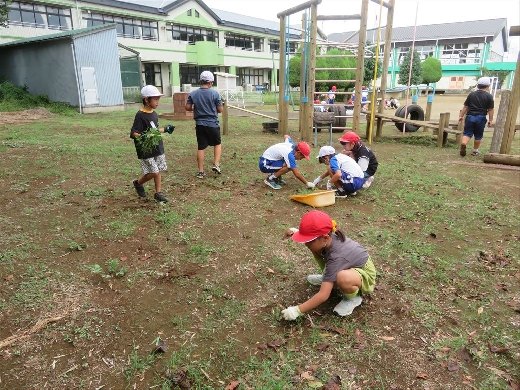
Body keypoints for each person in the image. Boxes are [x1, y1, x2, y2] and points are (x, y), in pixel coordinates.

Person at [281, 210, 376, 319]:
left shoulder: (337, 257)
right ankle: (328, 277)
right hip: (345, 265)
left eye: (309, 240)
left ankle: (353, 298)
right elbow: (314, 237)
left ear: (325, 238)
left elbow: (323, 295)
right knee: (316, 249)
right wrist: (296, 232)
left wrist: (297, 310)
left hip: (364, 275)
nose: (306, 244)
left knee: (343, 277)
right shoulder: (328, 237)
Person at [130, 85, 175, 202]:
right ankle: (138, 183)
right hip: (146, 149)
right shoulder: (140, 115)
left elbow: (154, 130)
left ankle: (158, 193)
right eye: (155, 99)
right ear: (146, 99)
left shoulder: (154, 114)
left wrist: (165, 129)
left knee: (158, 169)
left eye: (158, 99)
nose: (157, 102)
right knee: (154, 172)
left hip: (157, 147)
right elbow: (134, 132)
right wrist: (142, 137)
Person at [185, 71, 224, 178]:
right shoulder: (215, 94)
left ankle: (201, 171)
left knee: (201, 147)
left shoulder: (193, 93)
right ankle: (216, 164)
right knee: (217, 143)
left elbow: (187, 108)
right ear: (211, 82)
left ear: (200, 81)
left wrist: (197, 107)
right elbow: (220, 109)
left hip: (200, 124)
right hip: (213, 124)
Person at [458, 76, 494, 157]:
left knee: (467, 133)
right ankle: (475, 151)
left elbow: (465, 107)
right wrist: (490, 120)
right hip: (481, 117)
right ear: (488, 86)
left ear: (477, 85)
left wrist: (461, 116)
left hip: (470, 116)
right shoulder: (489, 96)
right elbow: (490, 109)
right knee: (478, 135)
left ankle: (464, 143)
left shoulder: (471, 94)